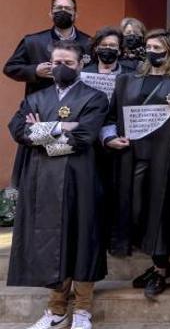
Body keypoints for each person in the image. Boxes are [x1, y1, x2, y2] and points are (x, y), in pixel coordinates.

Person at [7, 40, 110, 329]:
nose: (61, 68)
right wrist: (60, 127)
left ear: (81, 65)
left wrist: (40, 131)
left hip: (81, 178)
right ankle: (55, 309)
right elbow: (18, 130)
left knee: (81, 237)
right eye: (56, 63)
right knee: (53, 241)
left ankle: (82, 309)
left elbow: (84, 137)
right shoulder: (36, 97)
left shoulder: (95, 97)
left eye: (68, 63)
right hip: (44, 179)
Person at [101, 30, 170, 298]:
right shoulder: (126, 81)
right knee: (136, 211)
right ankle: (155, 263)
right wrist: (109, 139)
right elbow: (109, 117)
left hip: (166, 160)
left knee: (160, 214)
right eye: (149, 46)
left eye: (159, 48)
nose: (152, 51)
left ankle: (161, 267)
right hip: (131, 156)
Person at [4, 0, 92, 96]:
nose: (63, 11)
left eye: (68, 8)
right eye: (58, 8)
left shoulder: (90, 43)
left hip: (79, 104)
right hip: (40, 105)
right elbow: (10, 68)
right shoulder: (32, 41)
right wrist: (35, 71)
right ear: (51, 13)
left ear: (75, 14)